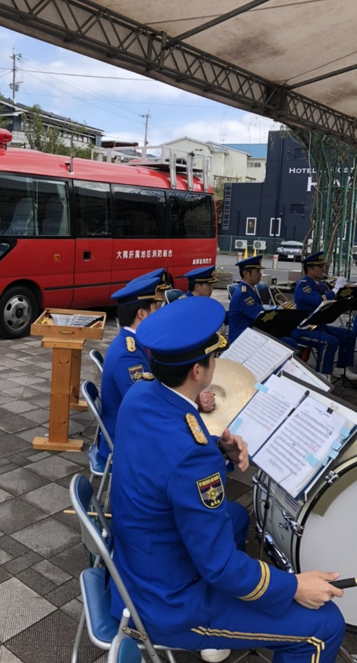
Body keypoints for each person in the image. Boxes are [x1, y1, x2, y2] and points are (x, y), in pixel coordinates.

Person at [110, 296, 345, 663]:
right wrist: (294, 586)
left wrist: (220, 452)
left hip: (134, 566)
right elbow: (218, 566)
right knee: (325, 626)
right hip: (169, 604)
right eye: (213, 356)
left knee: (235, 518)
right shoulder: (193, 456)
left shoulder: (140, 394)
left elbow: (166, 461)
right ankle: (215, 629)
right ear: (198, 373)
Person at [99, 270, 170, 459]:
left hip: (131, 429)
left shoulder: (134, 343)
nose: (161, 312)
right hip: (125, 440)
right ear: (141, 314)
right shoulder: (127, 355)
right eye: (157, 306)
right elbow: (144, 406)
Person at [294, 251, 357, 380]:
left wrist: (345, 290)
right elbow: (319, 301)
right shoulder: (304, 285)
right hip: (304, 328)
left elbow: (334, 299)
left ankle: (341, 368)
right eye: (320, 267)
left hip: (318, 326)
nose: (323, 269)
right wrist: (336, 289)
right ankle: (322, 375)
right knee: (330, 342)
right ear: (310, 269)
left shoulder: (320, 284)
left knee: (349, 334)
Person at [228, 255, 297, 349]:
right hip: (243, 340)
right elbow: (261, 315)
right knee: (290, 344)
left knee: (289, 337)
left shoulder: (249, 290)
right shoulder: (243, 294)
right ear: (246, 273)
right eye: (257, 271)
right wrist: (280, 313)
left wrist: (279, 308)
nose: (260, 274)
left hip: (253, 334)